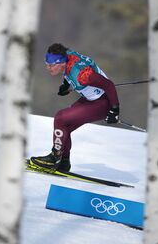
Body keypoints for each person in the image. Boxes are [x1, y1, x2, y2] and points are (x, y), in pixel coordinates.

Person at [30, 43, 120, 172]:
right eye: (46, 63)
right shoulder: (66, 55)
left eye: (50, 65)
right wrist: (66, 84)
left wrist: (114, 110)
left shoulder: (83, 75)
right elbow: (68, 70)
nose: (47, 68)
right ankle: (64, 162)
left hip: (103, 103)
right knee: (64, 125)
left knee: (60, 117)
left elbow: (109, 85)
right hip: (90, 99)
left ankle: (55, 157)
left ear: (60, 63)